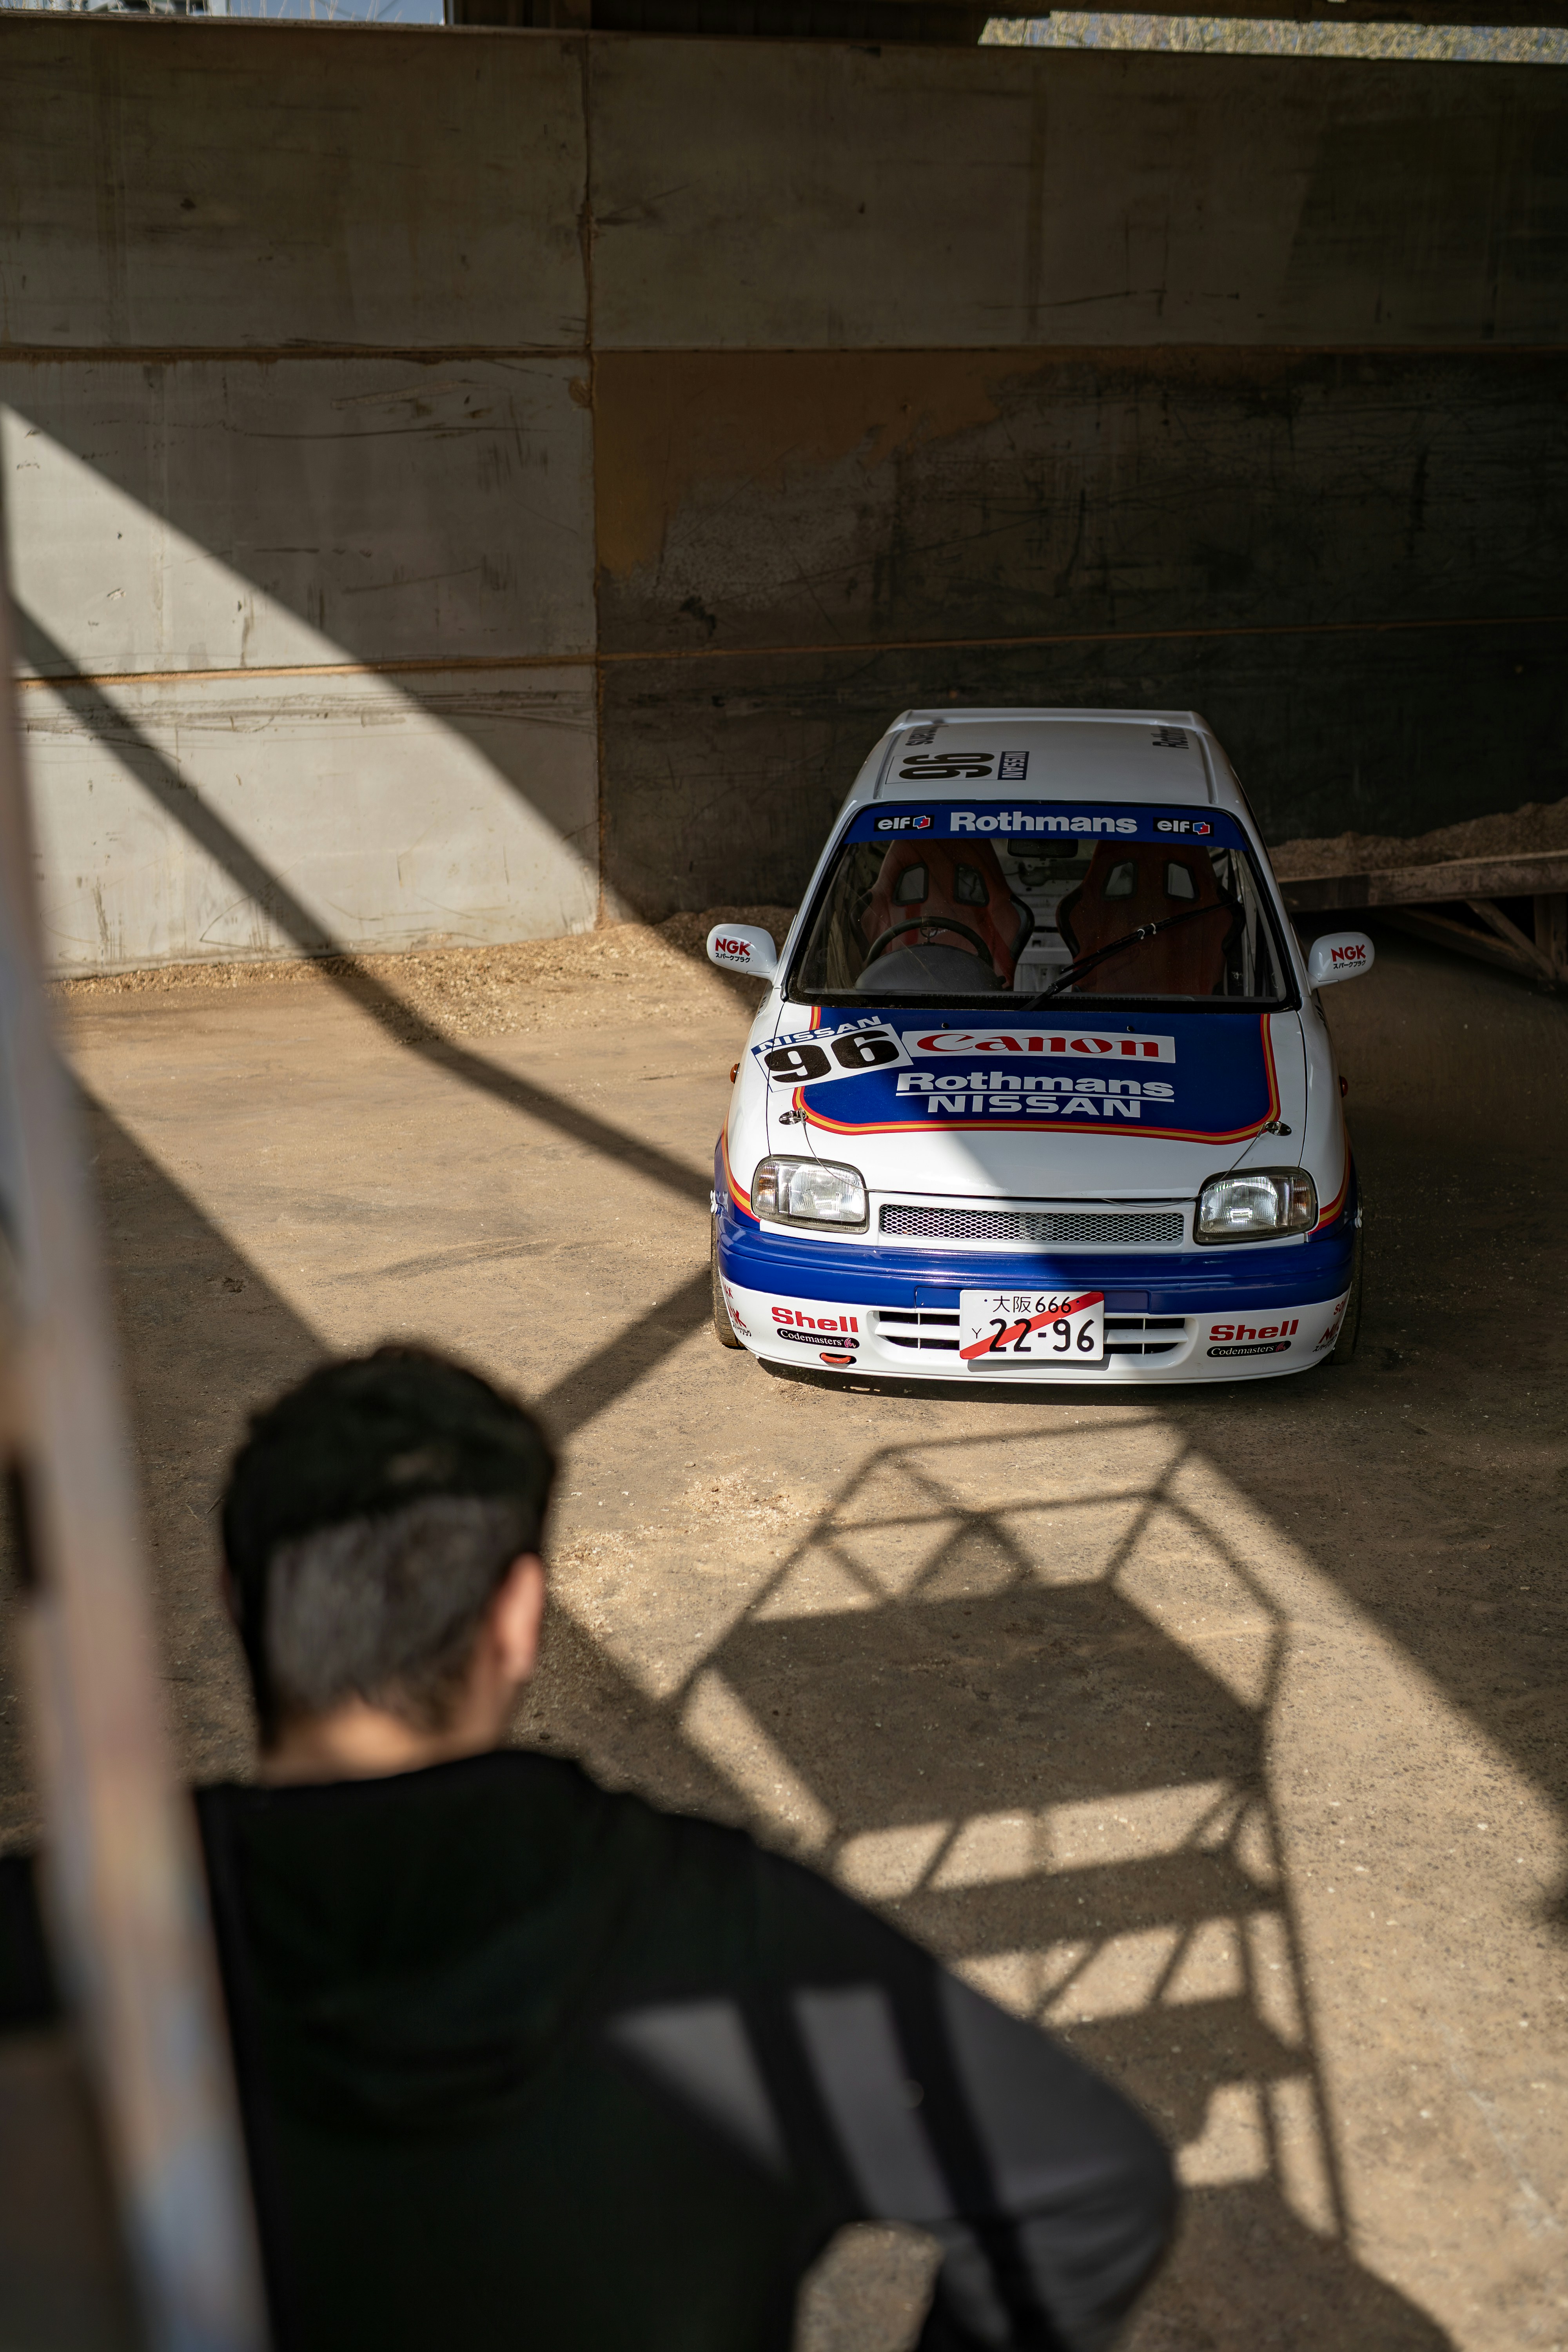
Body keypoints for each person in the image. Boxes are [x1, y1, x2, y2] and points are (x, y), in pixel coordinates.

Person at [98, 1348, 1183, 2348]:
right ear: (520, 1617)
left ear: (235, 1602)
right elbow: (1093, 2186)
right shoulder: (734, 1939)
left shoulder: (78, 1949)